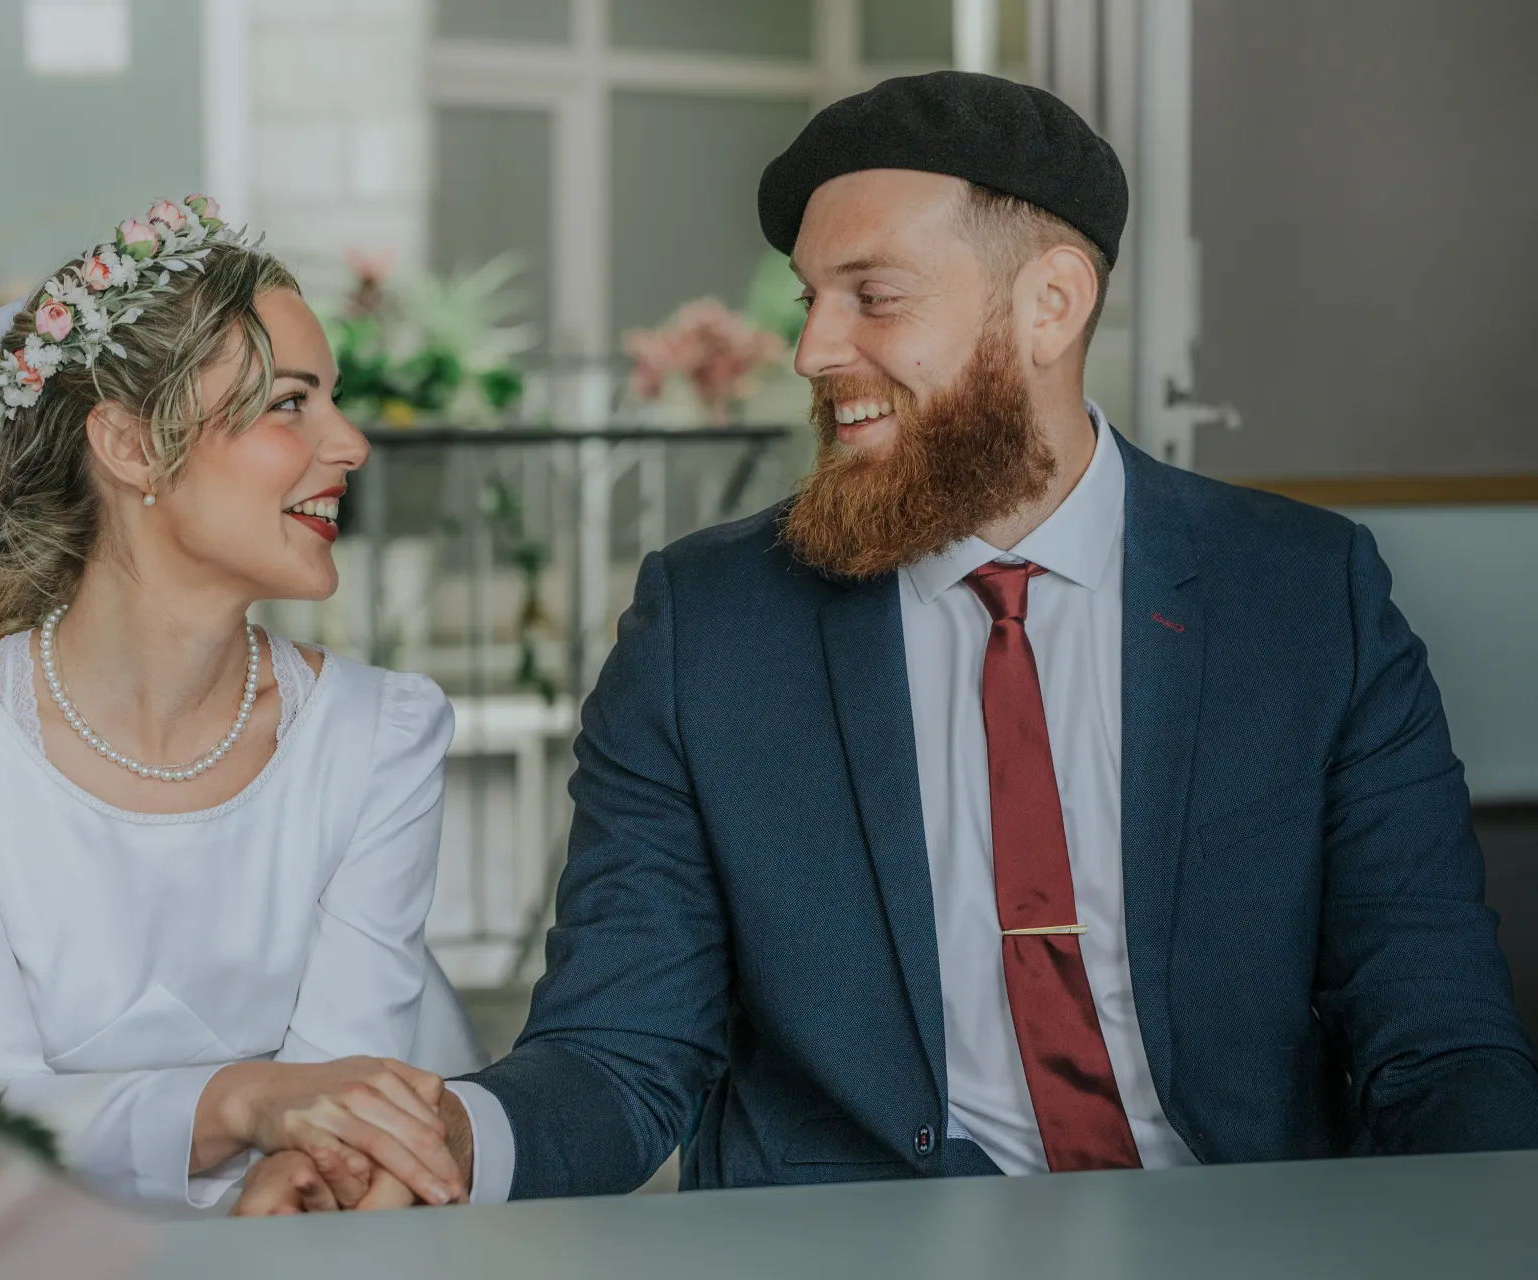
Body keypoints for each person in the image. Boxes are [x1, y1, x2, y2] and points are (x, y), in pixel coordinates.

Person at [241, 72, 1538, 1211]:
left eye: (874, 296)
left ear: (1051, 304)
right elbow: (620, 1049)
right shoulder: (708, 624)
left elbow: (1436, 1039)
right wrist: (446, 1142)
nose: (811, 348)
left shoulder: (1305, 596)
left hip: (1236, 1236)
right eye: (810, 300)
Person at [0, 197, 481, 1215]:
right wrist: (244, 1101)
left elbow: (346, 1088)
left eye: (333, 400)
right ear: (131, 444)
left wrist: (293, 1178)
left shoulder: (384, 733)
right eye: (291, 402)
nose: (351, 443)